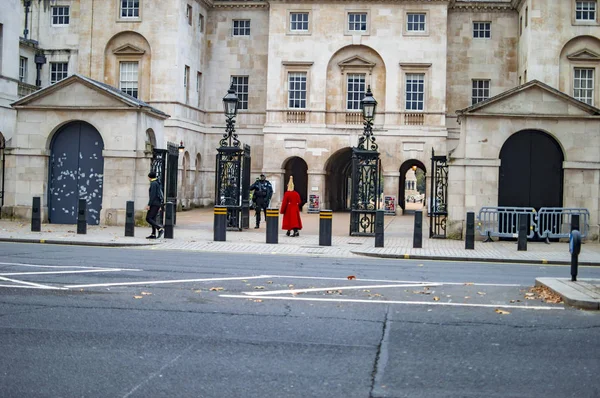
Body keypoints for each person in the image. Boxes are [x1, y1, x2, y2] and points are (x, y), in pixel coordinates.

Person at [145, 171, 164, 239]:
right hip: (157, 203)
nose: (148, 178)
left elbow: (153, 195)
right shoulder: (157, 182)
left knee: (148, 218)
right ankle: (153, 234)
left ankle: (159, 229)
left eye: (148, 177)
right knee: (153, 218)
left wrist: (149, 205)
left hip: (154, 203)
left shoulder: (153, 183)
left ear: (150, 177)